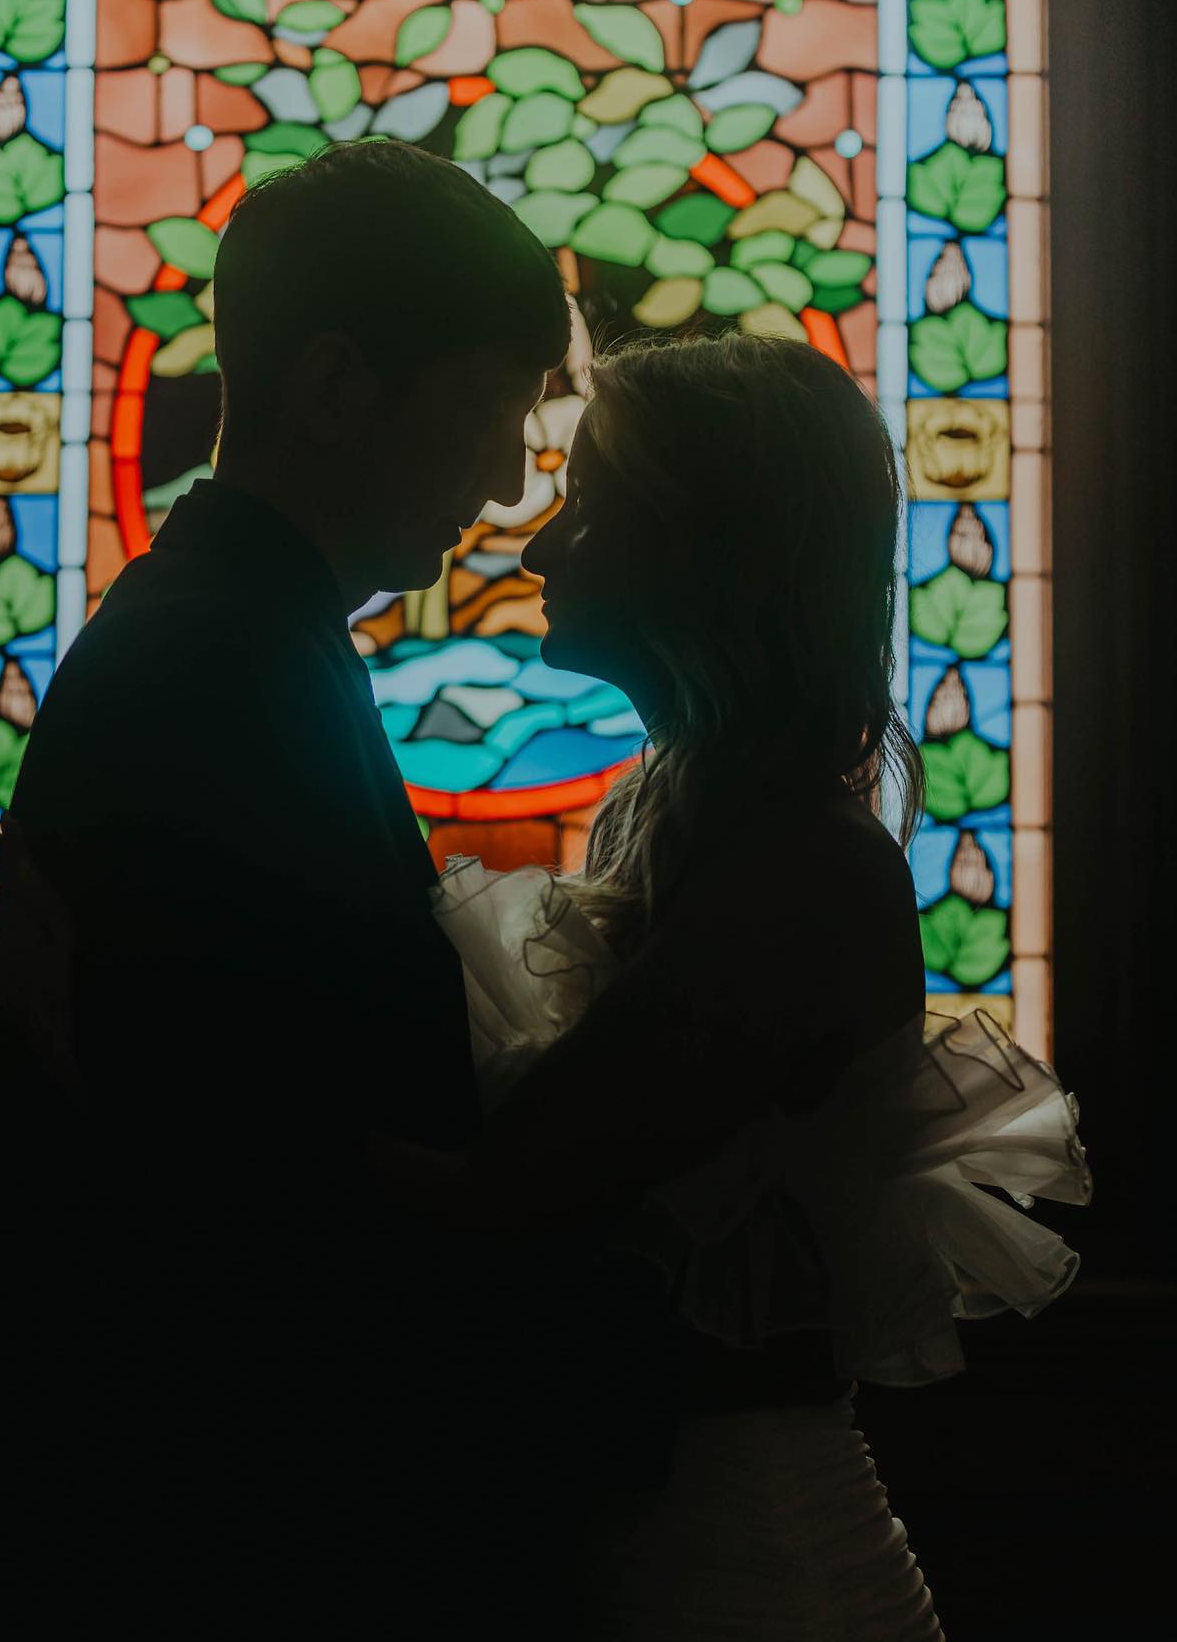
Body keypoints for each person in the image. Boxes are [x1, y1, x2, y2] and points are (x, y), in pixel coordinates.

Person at [0, 138, 672, 1634]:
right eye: (495, 412)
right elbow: (261, 1186)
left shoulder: (237, 637)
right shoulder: (217, 674)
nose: (506, 488)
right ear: (340, 386)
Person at [367, 331, 1092, 1639]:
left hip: (749, 1575)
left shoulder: (799, 876)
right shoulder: (701, 825)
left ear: (708, 551)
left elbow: (507, 1195)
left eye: (588, 507)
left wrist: (163, 1056)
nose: (537, 551)